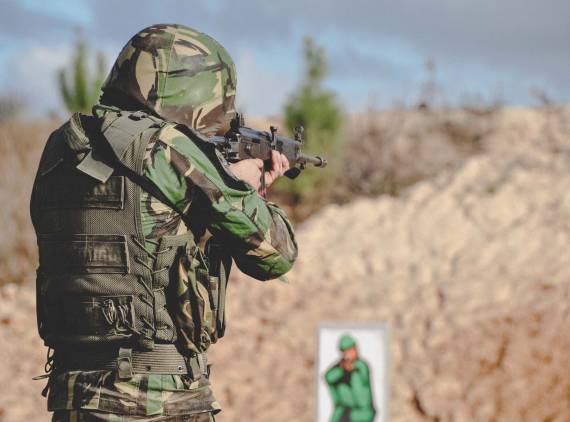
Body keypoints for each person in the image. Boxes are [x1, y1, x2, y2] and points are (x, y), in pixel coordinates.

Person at [30, 23, 298, 422]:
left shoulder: (61, 147)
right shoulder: (168, 148)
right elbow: (275, 255)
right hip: (158, 402)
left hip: (74, 400)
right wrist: (248, 188)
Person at [324, 335, 376, 422]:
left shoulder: (361, 365)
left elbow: (362, 371)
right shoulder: (340, 367)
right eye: (346, 351)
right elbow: (328, 377)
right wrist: (342, 369)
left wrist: (351, 366)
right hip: (346, 411)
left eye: (351, 350)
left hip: (363, 412)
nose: (349, 354)